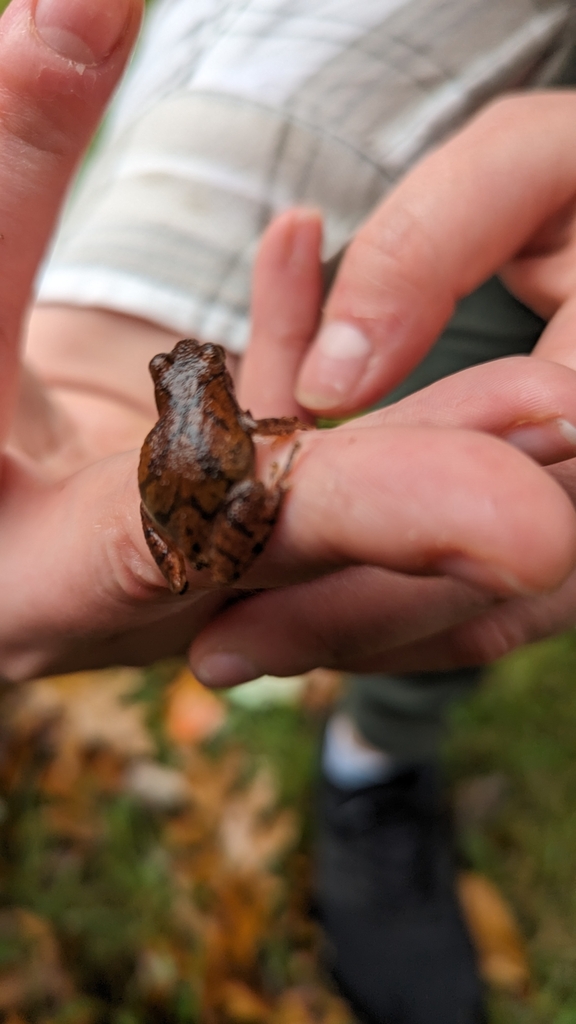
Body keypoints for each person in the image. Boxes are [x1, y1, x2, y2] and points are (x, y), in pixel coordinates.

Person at [4, 0, 576, 1019]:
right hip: (218, 476)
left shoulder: (194, 398)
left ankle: (381, 756)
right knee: (432, 537)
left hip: (193, 475)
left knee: (454, 543)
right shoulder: (220, 402)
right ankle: (377, 755)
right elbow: (257, 440)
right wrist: (143, 288)